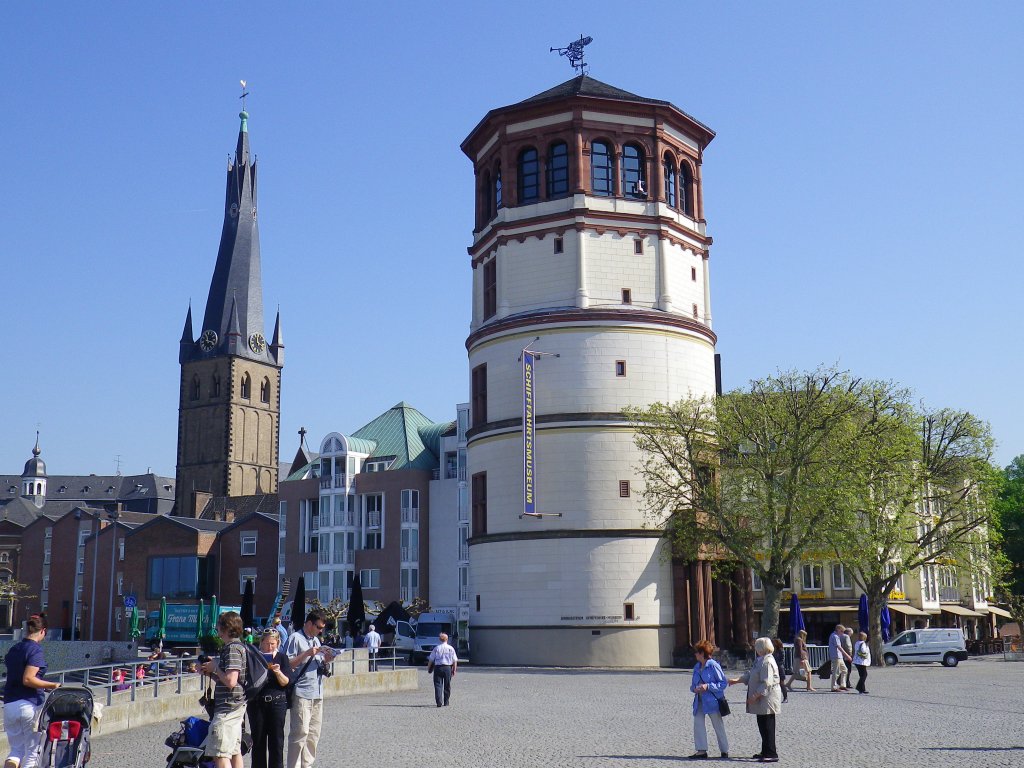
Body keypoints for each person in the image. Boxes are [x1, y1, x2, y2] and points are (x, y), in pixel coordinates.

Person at [4, 614, 61, 768]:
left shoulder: (14, 649)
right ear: (43, 631)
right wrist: (52, 685)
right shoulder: (35, 651)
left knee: (16, 750)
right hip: (29, 705)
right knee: (32, 751)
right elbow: (28, 679)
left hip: (9, 705)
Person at [284, 609, 336, 768]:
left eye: (322, 628)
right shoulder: (295, 638)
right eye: (319, 627)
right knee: (300, 733)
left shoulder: (317, 641)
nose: (321, 631)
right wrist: (306, 653)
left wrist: (327, 660)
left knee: (313, 734)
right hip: (301, 692)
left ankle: (307, 765)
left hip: (317, 692)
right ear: (308, 623)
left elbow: (319, 665)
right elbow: (287, 664)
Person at [200, 611, 248, 768]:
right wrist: (211, 673)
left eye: (219, 625)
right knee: (234, 752)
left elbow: (231, 681)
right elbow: (229, 680)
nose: (217, 629)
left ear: (226, 628)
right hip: (235, 705)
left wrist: (215, 667)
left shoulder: (232, 649)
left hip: (228, 708)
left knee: (220, 755)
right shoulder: (238, 647)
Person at [728, 637, 782, 763]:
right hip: (762, 700)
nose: (755, 649)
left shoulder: (767, 662)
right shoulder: (760, 660)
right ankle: (765, 750)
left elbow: (766, 683)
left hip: (767, 699)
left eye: (756, 646)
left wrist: (755, 696)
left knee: (767, 726)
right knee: (762, 725)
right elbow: (751, 674)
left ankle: (771, 753)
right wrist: (737, 680)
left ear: (761, 648)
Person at [247, 629, 292, 768]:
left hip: (277, 702)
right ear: (261, 643)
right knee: (258, 741)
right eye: (266, 643)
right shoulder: (254, 657)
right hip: (257, 703)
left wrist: (278, 672)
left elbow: (286, 682)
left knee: (277, 742)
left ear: (278, 643)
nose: (269, 647)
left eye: (272, 643)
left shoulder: (282, 657)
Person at [687, 640, 729, 760]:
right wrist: (694, 689)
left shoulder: (713, 665)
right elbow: (692, 685)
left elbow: (723, 683)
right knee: (698, 724)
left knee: (718, 725)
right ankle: (701, 750)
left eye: (696, 652)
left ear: (702, 653)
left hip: (713, 701)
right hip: (699, 700)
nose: (695, 655)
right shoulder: (696, 667)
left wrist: (708, 686)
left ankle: (724, 750)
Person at [426, 632, 458, 707]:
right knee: (447, 685)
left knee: (438, 685)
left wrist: (428, 668)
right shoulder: (451, 648)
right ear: (447, 639)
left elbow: (431, 660)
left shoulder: (436, 648)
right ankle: (446, 702)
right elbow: (455, 660)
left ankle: (439, 702)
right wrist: (454, 669)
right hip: (447, 668)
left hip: (438, 667)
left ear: (440, 639)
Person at [828, 624, 852, 692]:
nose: (842, 633)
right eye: (841, 631)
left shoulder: (836, 636)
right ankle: (834, 687)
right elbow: (839, 647)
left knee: (844, 670)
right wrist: (847, 655)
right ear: (838, 630)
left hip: (839, 656)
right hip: (836, 656)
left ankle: (842, 685)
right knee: (836, 672)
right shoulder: (835, 636)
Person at [771, 637, 788, 704]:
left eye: (774, 642)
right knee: (772, 684)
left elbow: (782, 660)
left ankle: (785, 697)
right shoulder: (772, 650)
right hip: (773, 668)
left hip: (780, 668)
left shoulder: (781, 650)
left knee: (782, 684)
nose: (772, 643)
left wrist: (775, 664)